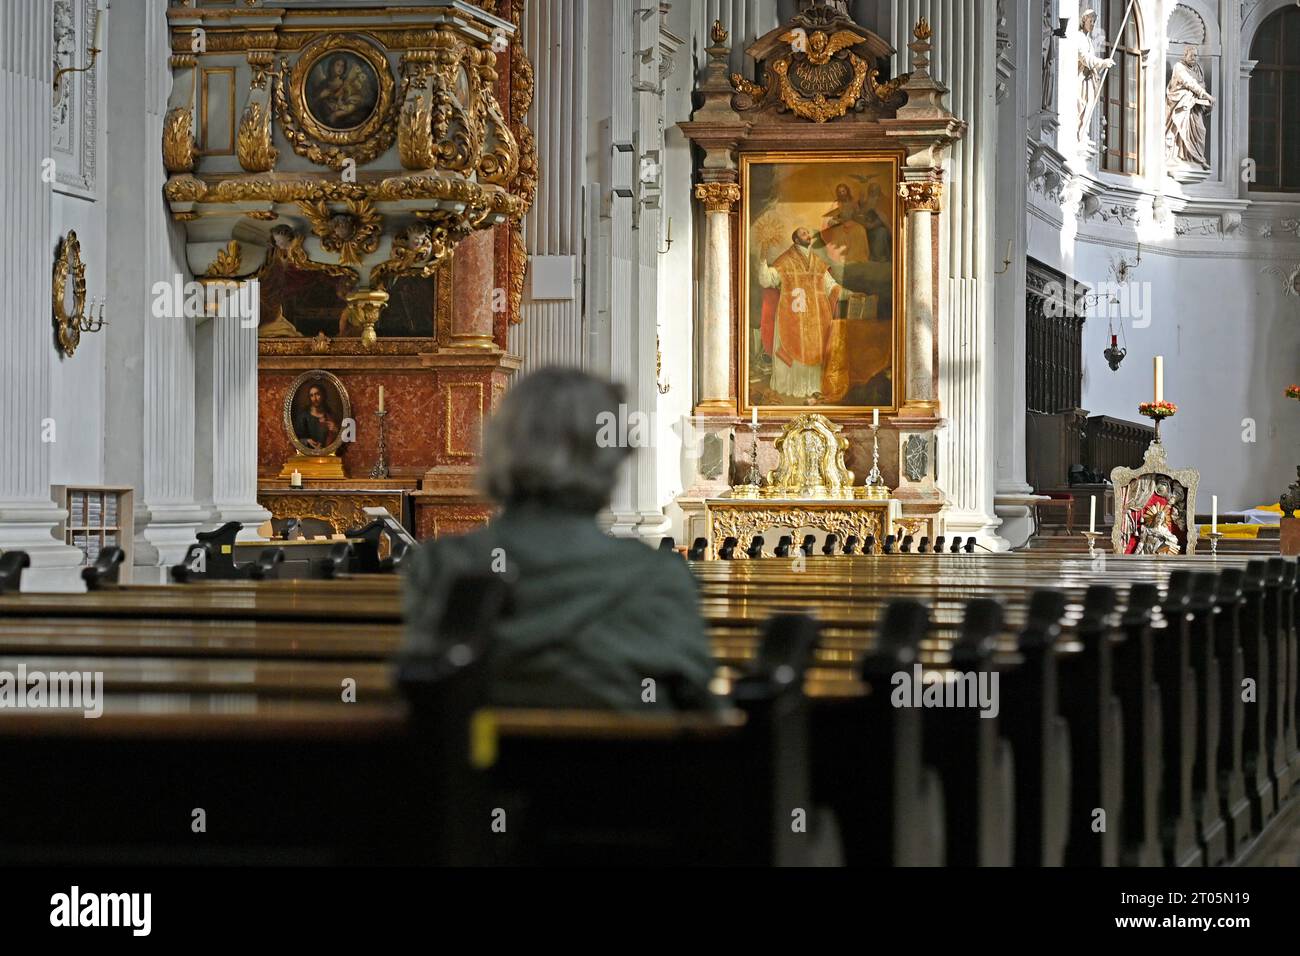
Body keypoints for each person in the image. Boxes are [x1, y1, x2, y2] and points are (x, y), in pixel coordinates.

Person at [401, 368, 720, 711]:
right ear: (611, 458)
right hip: (627, 762)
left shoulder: (442, 566)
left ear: (499, 447)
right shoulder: (659, 577)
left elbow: (423, 698)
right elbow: (700, 710)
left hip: (482, 762)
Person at [1165, 47, 1213, 170]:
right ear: (1185, 55)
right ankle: (1179, 156)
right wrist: (1206, 95)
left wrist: (1203, 98)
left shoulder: (1197, 69)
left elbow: (1201, 83)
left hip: (1195, 106)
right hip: (1181, 105)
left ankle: (1197, 158)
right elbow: (1189, 82)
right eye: (1191, 56)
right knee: (1182, 129)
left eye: (1196, 56)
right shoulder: (1179, 67)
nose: (1194, 58)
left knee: (1200, 130)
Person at [294, 384, 339, 451]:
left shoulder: (330, 415)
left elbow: (339, 438)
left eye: (317, 394)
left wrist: (336, 430)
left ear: (323, 395)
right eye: (311, 395)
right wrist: (307, 441)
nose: (314, 398)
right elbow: (296, 439)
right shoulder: (303, 416)